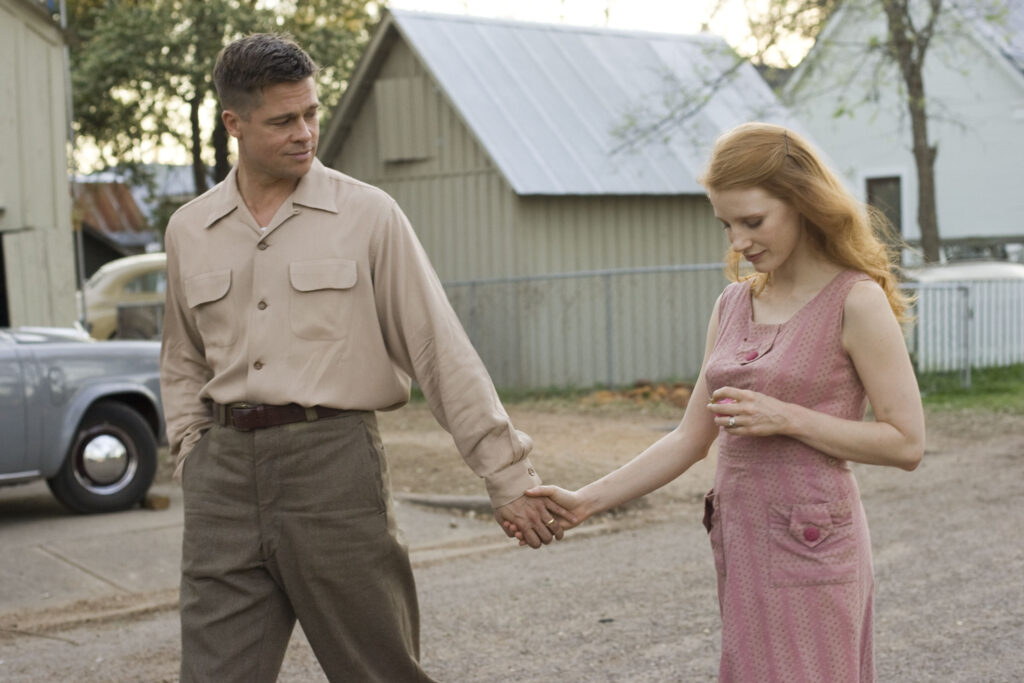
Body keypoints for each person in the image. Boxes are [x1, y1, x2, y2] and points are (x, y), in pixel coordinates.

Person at [160, 33, 571, 683]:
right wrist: (192, 452)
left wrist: (507, 476)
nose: (305, 132)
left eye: (312, 113)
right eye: (283, 120)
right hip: (224, 478)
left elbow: (438, 349)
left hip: (333, 467)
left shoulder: (369, 215)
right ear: (233, 122)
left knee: (375, 670)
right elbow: (182, 357)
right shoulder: (189, 228)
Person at [513, 122, 925, 682]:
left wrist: (787, 417)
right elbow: (689, 439)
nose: (738, 242)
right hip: (744, 537)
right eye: (726, 224)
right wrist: (585, 502)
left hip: (814, 543)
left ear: (804, 203)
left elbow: (906, 442)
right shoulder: (732, 303)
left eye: (752, 221)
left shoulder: (856, 300)